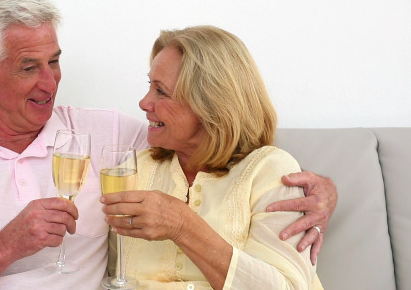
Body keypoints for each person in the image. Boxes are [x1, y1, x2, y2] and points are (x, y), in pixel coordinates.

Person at [0, 0, 334, 290]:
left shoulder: (107, 137)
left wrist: (322, 188)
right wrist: (5, 247)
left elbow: (210, 135)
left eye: (54, 61)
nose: (50, 83)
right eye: (29, 68)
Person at [101, 25, 325, 289]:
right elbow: (111, 277)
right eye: (149, 86)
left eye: (161, 91)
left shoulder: (268, 170)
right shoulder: (135, 169)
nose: (144, 102)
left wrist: (184, 226)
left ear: (210, 103)